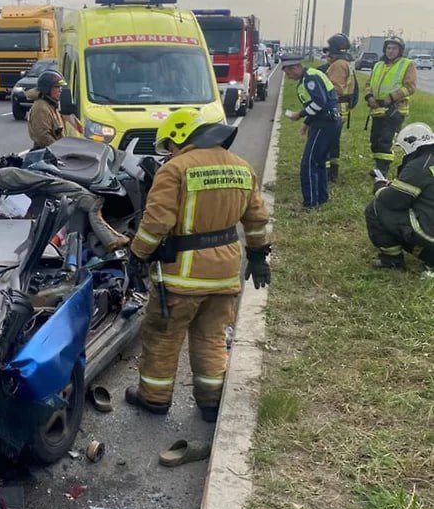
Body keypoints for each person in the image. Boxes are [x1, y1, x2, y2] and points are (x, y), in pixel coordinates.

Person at [125, 107, 270, 423]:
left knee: (162, 337)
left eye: (170, 147)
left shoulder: (175, 170)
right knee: (211, 338)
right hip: (225, 276)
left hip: (182, 279)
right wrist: (258, 256)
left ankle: (154, 397)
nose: (169, 154)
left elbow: (156, 224)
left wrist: (137, 255)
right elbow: (257, 220)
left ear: (180, 136)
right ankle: (211, 401)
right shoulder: (242, 168)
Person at [365, 122, 434, 270]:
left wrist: (380, 186)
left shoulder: (419, 165)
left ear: (412, 144)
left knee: (376, 208)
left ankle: (391, 259)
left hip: (430, 233)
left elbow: (392, 201)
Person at [280, 55, 341, 208]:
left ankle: (310, 204)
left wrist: (299, 114)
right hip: (327, 121)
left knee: (308, 163)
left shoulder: (310, 78)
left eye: (288, 73)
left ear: (295, 68)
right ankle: (321, 198)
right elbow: (319, 104)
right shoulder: (311, 75)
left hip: (324, 124)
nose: (289, 77)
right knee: (319, 162)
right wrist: (307, 123)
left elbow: (320, 102)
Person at [364, 36, 417, 177]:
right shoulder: (378, 65)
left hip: (394, 109)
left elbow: (410, 87)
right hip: (377, 109)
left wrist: (392, 97)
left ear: (400, 50)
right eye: (388, 48)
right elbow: (368, 84)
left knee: (385, 140)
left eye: (394, 48)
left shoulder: (407, 64)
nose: (390, 51)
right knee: (375, 140)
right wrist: (369, 97)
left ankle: (382, 170)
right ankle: (378, 167)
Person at [324, 32, 357, 181]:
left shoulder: (338, 65)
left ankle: (326, 172)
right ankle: (333, 172)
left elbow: (335, 89)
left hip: (334, 107)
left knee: (326, 141)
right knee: (333, 141)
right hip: (341, 107)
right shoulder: (345, 63)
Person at [27, 69, 65, 149]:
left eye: (61, 87)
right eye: (57, 87)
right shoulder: (40, 108)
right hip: (45, 154)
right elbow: (43, 137)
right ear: (47, 88)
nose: (60, 90)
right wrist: (60, 150)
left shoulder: (51, 105)